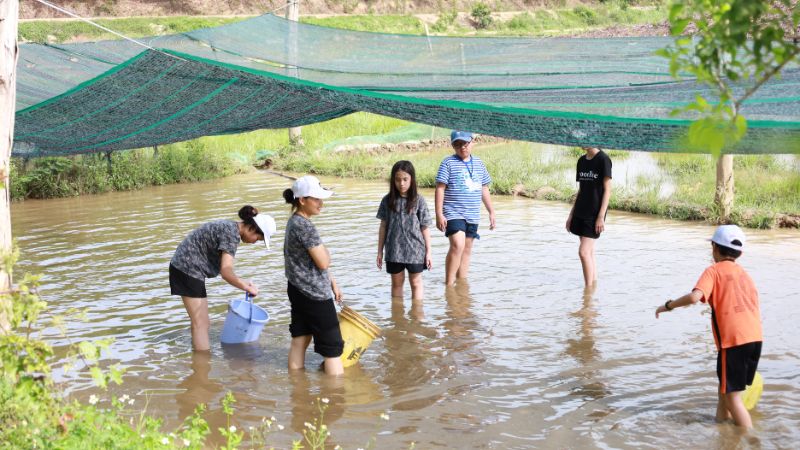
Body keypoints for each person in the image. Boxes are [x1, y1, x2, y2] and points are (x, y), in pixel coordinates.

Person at [655, 225, 762, 429]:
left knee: (732, 399)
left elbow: (695, 297)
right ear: (739, 252)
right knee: (725, 391)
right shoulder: (745, 275)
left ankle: (751, 439)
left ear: (714, 247)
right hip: (755, 338)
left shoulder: (713, 271)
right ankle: (722, 430)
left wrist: (668, 306)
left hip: (733, 342)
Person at [170, 205, 276, 351]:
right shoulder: (231, 235)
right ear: (251, 228)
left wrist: (245, 283)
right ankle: (203, 363)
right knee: (200, 323)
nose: (254, 242)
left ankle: (200, 364)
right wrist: (246, 287)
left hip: (188, 268)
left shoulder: (230, 228)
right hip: (187, 268)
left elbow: (225, 269)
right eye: (257, 238)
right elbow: (226, 272)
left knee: (202, 322)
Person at [282, 175, 345, 376]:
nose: (321, 204)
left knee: (301, 338)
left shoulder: (293, 222)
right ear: (302, 200)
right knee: (333, 347)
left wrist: (332, 282)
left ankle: (297, 390)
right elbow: (324, 262)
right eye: (316, 199)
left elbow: (318, 262)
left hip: (297, 289)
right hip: (314, 294)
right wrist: (327, 254)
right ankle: (336, 397)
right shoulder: (305, 226)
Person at [435, 131, 496, 286]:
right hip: (453, 212)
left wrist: (491, 211)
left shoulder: (479, 164)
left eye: (465, 143)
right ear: (453, 146)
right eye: (457, 144)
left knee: (467, 248)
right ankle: (449, 285)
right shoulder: (448, 163)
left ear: (472, 142)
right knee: (458, 245)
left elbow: (484, 189)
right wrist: (439, 214)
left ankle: (462, 285)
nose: (462, 147)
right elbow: (440, 188)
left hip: (472, 214)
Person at [377, 160, 433, 300]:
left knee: (416, 283)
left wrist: (429, 253)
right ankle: (397, 318)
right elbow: (383, 226)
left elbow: (425, 227)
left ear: (411, 179)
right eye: (397, 180)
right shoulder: (387, 200)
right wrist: (379, 251)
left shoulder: (419, 200)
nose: (401, 183)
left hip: (415, 250)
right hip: (393, 250)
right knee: (396, 283)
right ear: (393, 180)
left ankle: (417, 317)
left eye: (405, 179)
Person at [566, 146, 612, 287]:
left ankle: (587, 294)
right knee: (589, 252)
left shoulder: (603, 160)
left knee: (583, 252)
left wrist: (600, 216)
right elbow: (581, 190)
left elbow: (607, 190)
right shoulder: (581, 160)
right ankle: (592, 289)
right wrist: (571, 214)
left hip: (594, 214)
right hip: (580, 210)